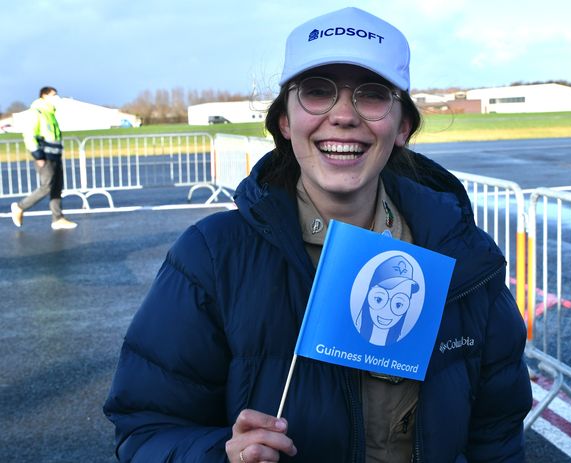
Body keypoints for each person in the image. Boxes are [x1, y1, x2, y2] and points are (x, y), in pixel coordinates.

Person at [103, 7, 531, 463]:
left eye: (371, 95)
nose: (343, 115)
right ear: (285, 122)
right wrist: (219, 455)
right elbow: (144, 430)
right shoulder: (211, 256)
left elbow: (498, 437)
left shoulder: (464, 257)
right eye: (316, 91)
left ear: (402, 126)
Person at [10, 86, 77, 230]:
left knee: (57, 187)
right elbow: (29, 135)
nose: (57, 97)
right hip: (45, 157)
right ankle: (19, 207)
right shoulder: (37, 112)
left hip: (55, 155)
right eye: (54, 95)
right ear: (44, 96)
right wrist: (38, 155)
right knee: (46, 186)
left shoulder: (50, 114)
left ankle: (58, 219)